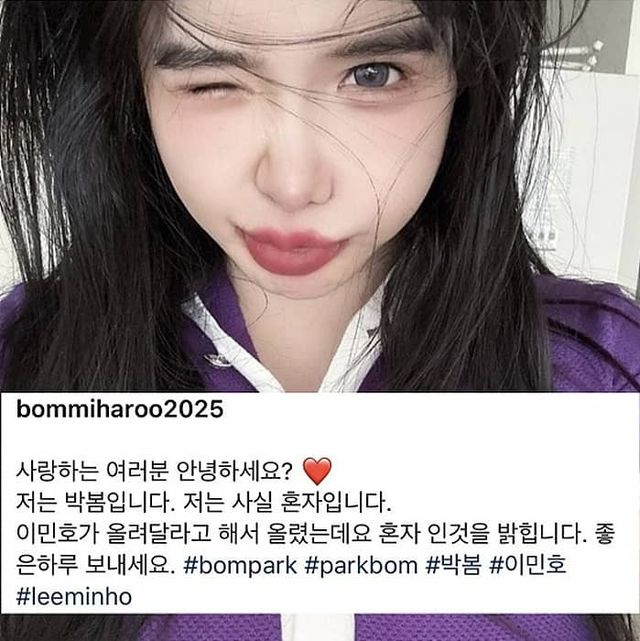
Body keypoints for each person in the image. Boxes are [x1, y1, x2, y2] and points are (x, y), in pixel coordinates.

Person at [0, 0, 638, 640]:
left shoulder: (605, 372)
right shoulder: (23, 362)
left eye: (372, 74)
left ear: (465, 73)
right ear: (131, 85)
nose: (292, 184)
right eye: (213, 81)